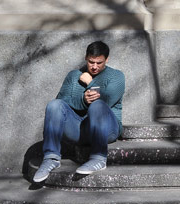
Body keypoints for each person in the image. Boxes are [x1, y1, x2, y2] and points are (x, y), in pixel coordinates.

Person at [32, 41, 125, 182]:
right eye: (91, 62)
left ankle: (99, 158)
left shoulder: (116, 76)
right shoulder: (74, 76)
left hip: (107, 130)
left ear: (107, 59)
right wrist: (83, 100)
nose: (94, 67)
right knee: (54, 105)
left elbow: (107, 99)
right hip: (79, 129)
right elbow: (62, 101)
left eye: (99, 63)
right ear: (86, 58)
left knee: (97, 105)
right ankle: (51, 158)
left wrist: (90, 82)